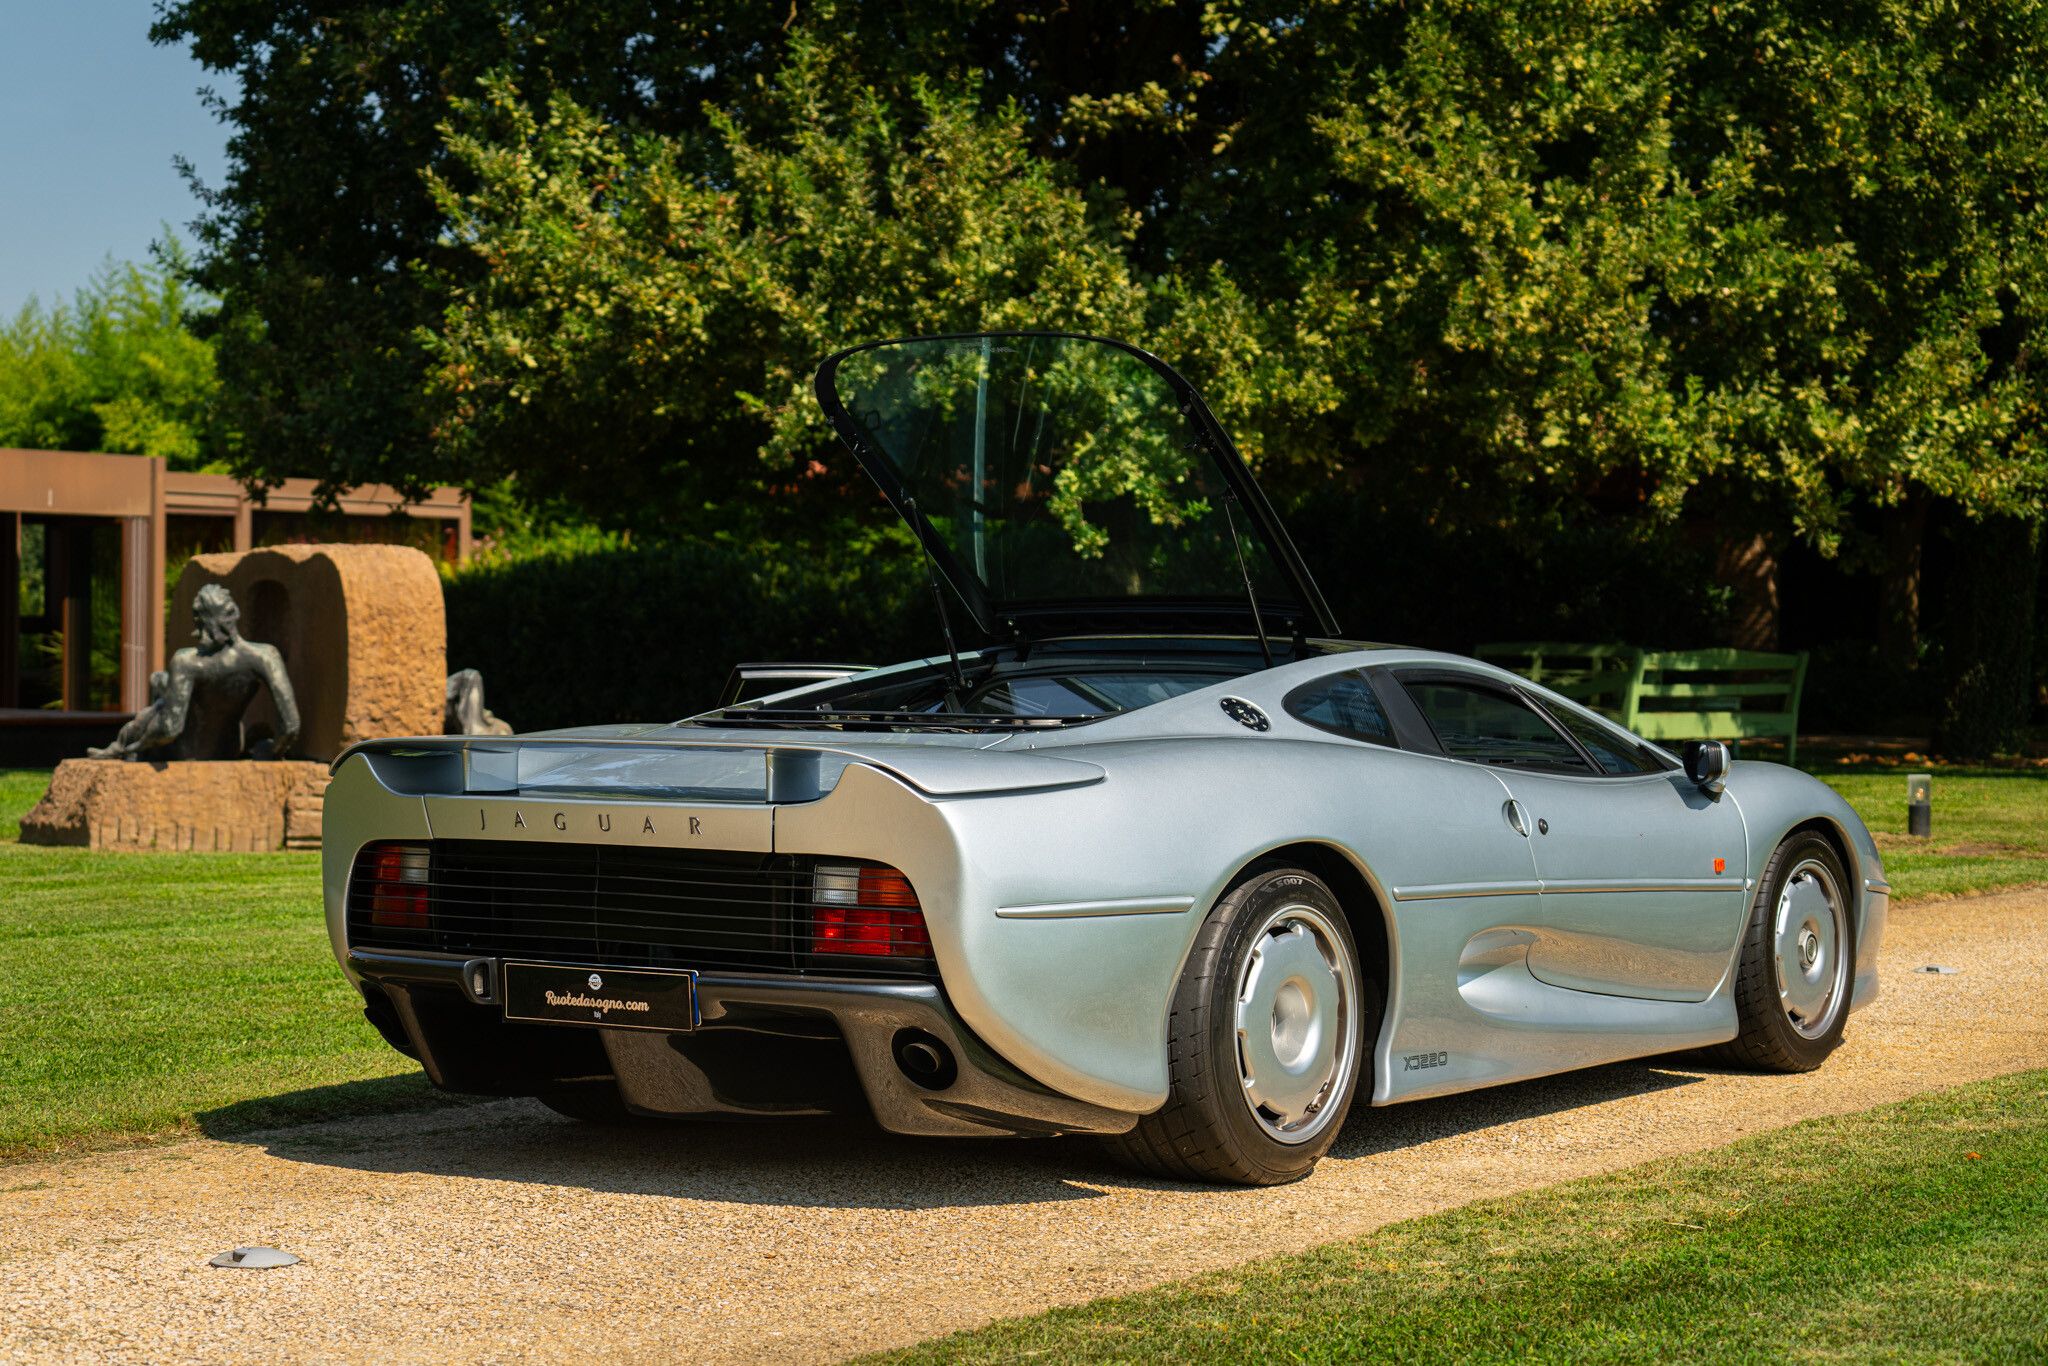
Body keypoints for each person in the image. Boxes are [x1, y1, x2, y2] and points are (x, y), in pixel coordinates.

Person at [88, 583, 300, 760]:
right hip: (229, 749)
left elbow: (170, 729)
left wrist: (141, 743)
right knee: (160, 683)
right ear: (234, 613)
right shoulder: (264, 656)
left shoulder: (187, 661)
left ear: (201, 621)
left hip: (184, 752)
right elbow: (291, 725)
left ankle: (121, 747)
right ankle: (123, 746)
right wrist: (272, 751)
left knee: (157, 698)